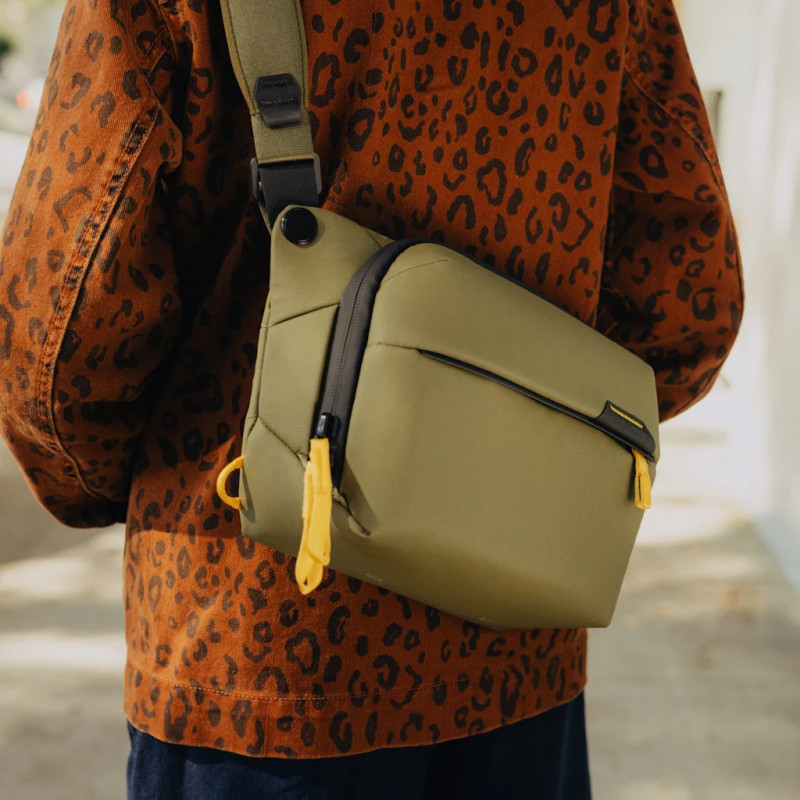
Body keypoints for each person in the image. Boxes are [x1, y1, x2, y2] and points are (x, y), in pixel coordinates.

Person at [0, 0, 743, 797]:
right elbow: (686, 302)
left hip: (258, 639)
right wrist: (530, 449)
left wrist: (136, 489)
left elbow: (59, 333)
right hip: (519, 634)